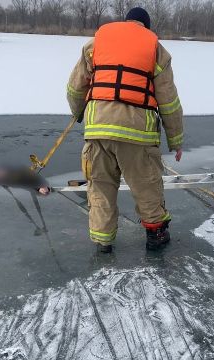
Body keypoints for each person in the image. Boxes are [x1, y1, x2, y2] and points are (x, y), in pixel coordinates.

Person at [66, 7, 184, 253]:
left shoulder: (95, 45)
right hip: (138, 135)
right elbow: (169, 101)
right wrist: (175, 140)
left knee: (100, 188)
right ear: (146, 27)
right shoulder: (156, 51)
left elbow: (75, 88)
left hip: (98, 132)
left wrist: (79, 114)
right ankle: (155, 236)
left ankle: (102, 242)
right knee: (147, 186)